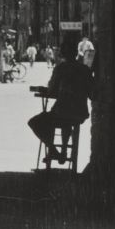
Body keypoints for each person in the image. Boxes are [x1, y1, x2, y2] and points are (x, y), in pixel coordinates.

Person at [28, 36, 94, 165]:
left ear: (63, 53)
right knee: (66, 119)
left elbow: (52, 90)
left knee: (35, 122)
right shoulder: (84, 70)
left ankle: (53, 149)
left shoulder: (61, 69)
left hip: (62, 112)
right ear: (76, 53)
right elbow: (92, 92)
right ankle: (63, 151)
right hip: (80, 113)